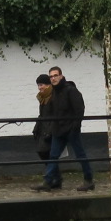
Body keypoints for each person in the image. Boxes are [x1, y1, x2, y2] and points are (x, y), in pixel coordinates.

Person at [38, 64, 92, 192]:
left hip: (70, 129)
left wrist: (75, 127)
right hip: (58, 129)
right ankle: (48, 181)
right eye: (51, 76)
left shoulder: (70, 90)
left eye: (55, 75)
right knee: (53, 155)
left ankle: (89, 180)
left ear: (61, 76)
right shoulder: (53, 92)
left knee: (80, 154)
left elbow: (79, 109)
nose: (53, 78)